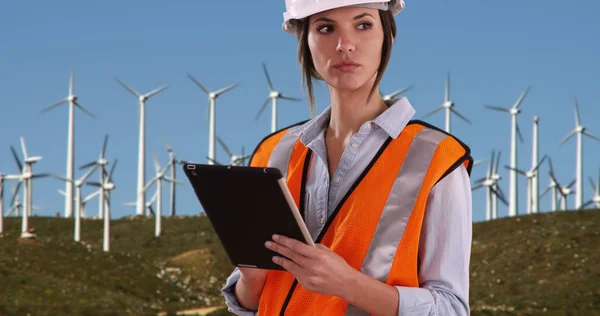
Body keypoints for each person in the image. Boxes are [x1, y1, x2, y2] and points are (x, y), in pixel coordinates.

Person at [221, 0, 473, 315]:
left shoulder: (436, 157)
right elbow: (248, 302)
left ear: (388, 36)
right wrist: (252, 278)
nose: (345, 45)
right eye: (325, 28)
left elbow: (451, 309)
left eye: (363, 24)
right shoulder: (273, 153)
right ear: (305, 42)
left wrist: (348, 285)